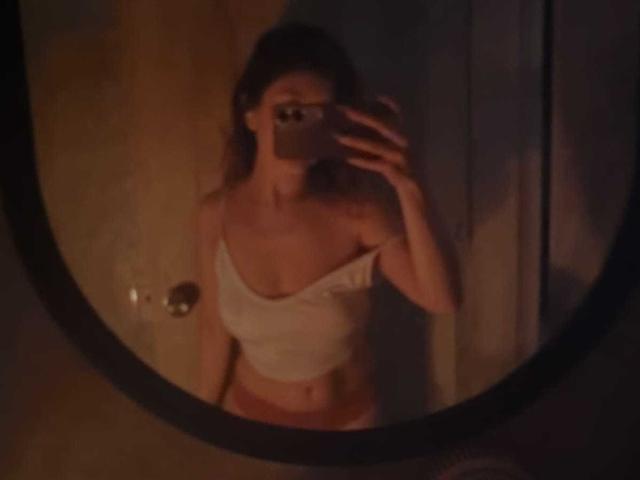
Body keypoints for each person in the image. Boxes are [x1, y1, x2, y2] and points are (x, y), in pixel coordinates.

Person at [196, 23, 460, 430]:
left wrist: (410, 186)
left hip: (350, 422)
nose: (306, 127)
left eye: (323, 114)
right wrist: (196, 427)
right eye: (291, 111)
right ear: (251, 114)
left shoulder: (357, 212)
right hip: (251, 421)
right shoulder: (215, 216)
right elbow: (214, 335)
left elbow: (441, 299)